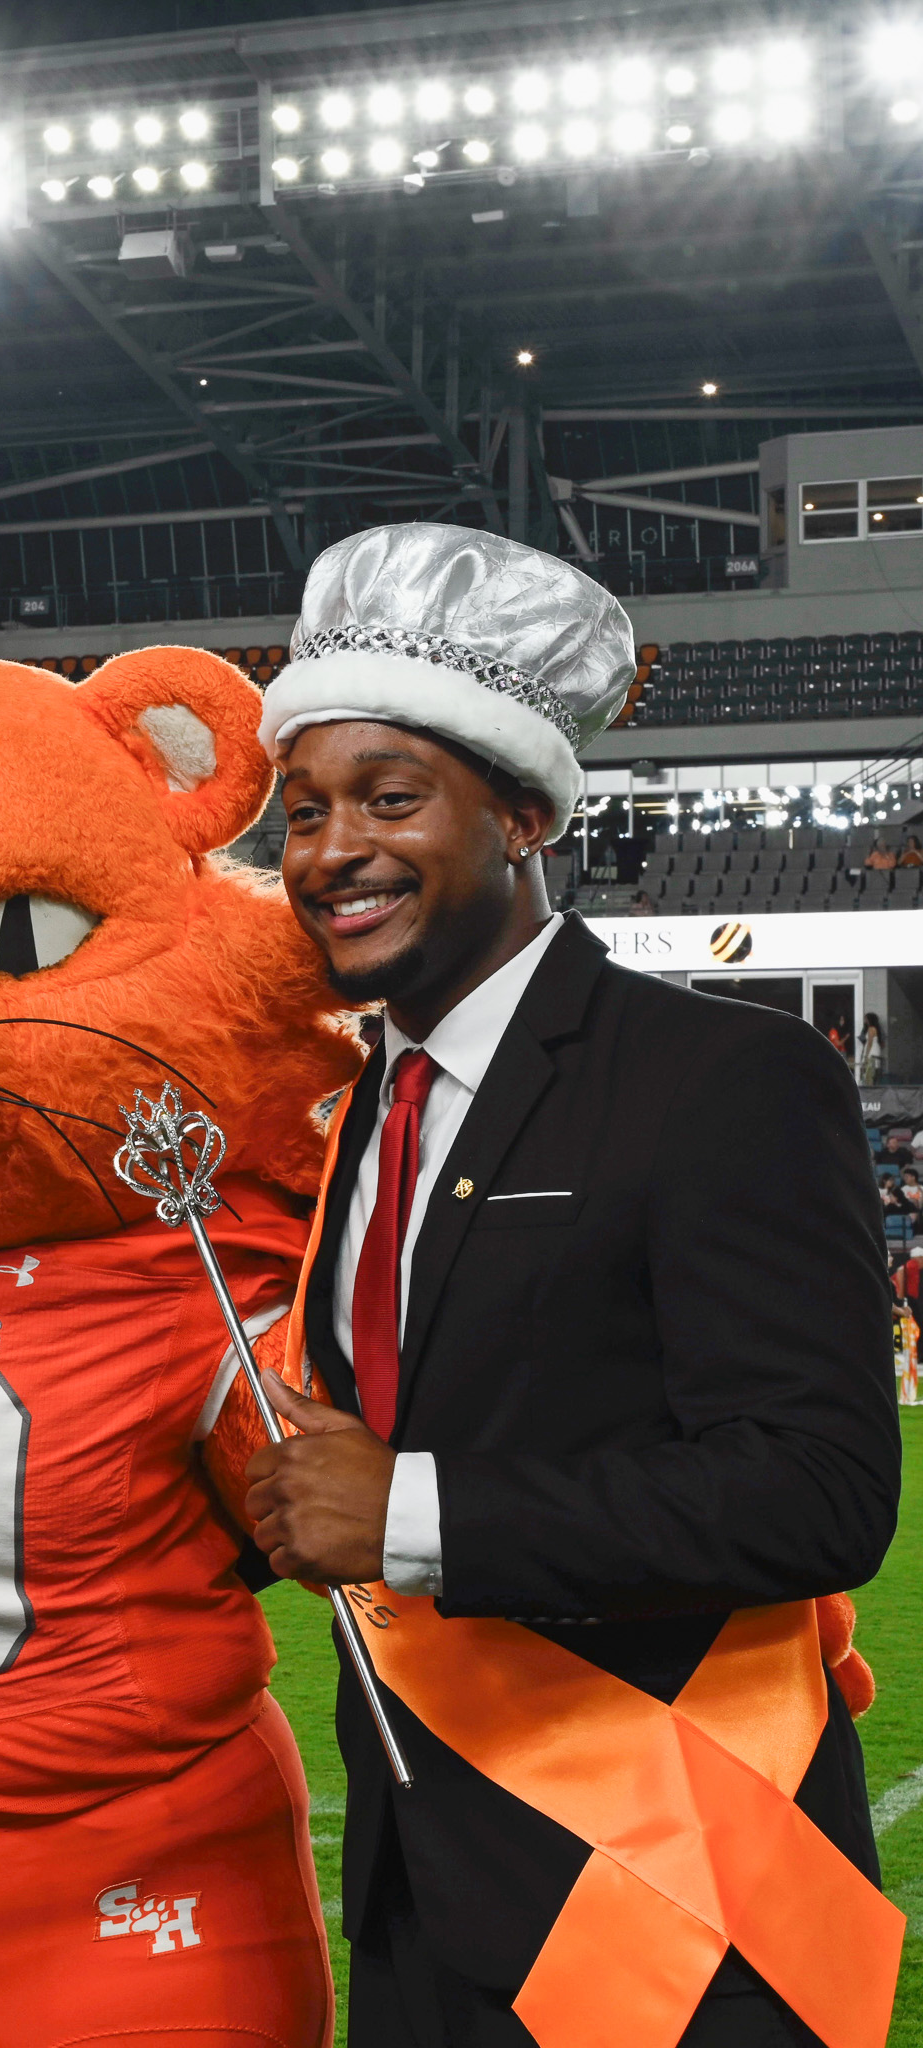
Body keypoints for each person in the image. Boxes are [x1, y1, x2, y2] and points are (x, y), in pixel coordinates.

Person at [244, 525, 902, 2048]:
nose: (330, 851)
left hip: (676, 1904)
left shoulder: (721, 1074)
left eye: (390, 798)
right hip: (422, 1886)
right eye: (303, 811)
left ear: (525, 812)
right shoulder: (362, 1107)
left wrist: (407, 1509)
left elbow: (817, 1492)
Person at [859, 1012, 885, 1084]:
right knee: (873, 1069)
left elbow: (870, 1043)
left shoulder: (871, 1029)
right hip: (875, 1049)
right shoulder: (876, 1029)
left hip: (872, 1050)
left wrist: (866, 1055)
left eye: (866, 1019)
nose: (865, 1021)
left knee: (869, 1069)